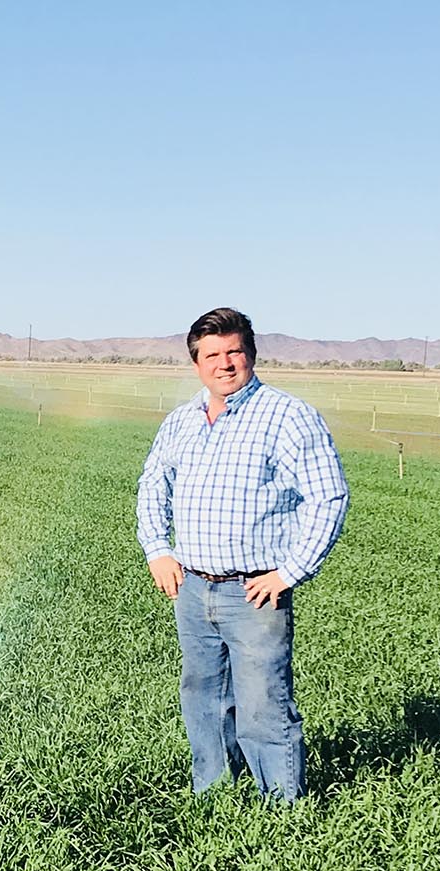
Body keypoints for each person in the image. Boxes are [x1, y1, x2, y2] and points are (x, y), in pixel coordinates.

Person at [136, 307, 349, 802]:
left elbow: (328, 496)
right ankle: (213, 795)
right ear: (196, 363)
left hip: (254, 591)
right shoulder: (181, 421)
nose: (225, 363)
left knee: (263, 708)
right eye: (212, 354)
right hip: (191, 588)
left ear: (251, 354)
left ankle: (282, 811)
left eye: (234, 351)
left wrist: (290, 571)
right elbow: (152, 486)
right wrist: (157, 550)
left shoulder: (288, 416)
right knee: (203, 700)